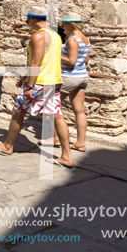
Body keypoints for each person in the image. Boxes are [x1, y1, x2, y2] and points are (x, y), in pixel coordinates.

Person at [0, 6, 74, 168]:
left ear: (32, 19)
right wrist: (25, 76)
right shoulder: (56, 36)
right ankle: (66, 156)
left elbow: (36, 62)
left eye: (27, 20)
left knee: (17, 112)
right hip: (53, 81)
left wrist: (29, 86)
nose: (27, 23)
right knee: (57, 116)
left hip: (39, 82)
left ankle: (7, 146)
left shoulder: (38, 36)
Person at [43, 11, 90, 152]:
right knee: (79, 111)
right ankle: (80, 143)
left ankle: (56, 138)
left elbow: (72, 61)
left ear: (71, 24)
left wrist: (55, 54)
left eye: (64, 24)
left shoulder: (72, 40)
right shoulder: (85, 39)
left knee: (52, 107)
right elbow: (85, 60)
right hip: (82, 77)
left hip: (69, 78)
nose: (62, 27)